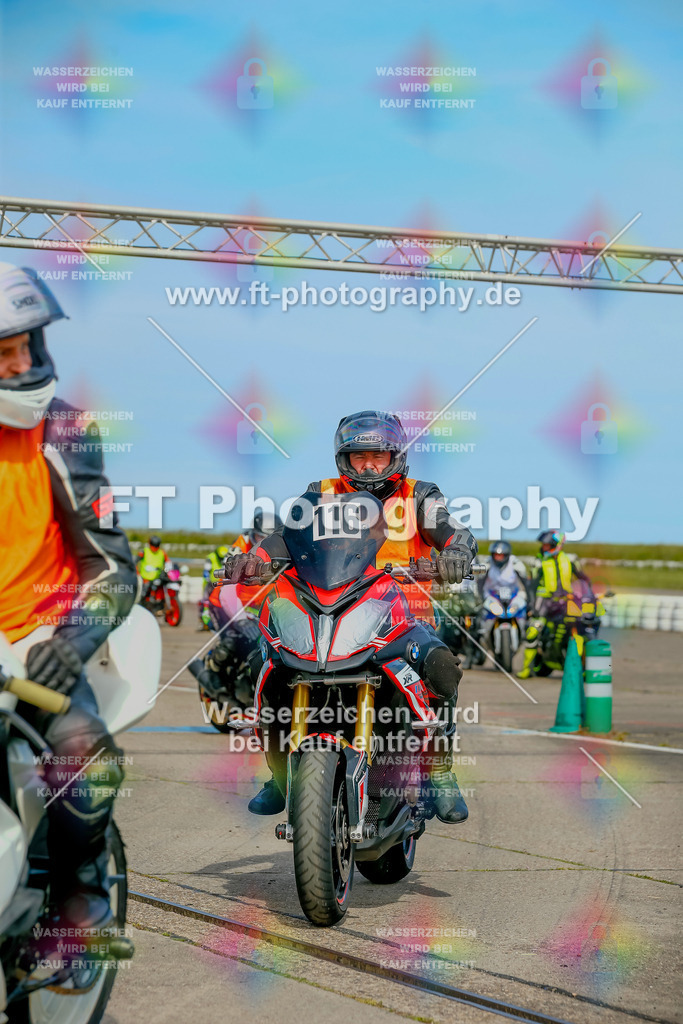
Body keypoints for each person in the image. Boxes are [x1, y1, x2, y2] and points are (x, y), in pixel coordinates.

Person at [223, 410, 477, 824]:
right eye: (359, 457)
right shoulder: (320, 493)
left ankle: (440, 772)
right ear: (344, 459)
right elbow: (284, 538)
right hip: (327, 607)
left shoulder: (419, 495)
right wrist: (253, 560)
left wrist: (456, 554)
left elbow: (450, 530)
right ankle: (280, 773)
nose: (369, 465)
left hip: (402, 611)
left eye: (377, 455)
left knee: (442, 666)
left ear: (395, 455)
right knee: (264, 662)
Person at [0, 263, 136, 931]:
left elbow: (114, 570)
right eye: (5, 353)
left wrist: (68, 643)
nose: (24, 365)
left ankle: (78, 899)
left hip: (30, 641)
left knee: (83, 750)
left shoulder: (64, 432)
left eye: (30, 345)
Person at [517, 530, 590, 679]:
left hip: (567, 600)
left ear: (558, 545)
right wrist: (532, 605)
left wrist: (588, 595)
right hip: (545, 601)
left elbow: (584, 579)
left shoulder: (570, 560)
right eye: (543, 545)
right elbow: (532, 586)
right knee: (533, 631)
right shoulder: (538, 562)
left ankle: (581, 666)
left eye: (548, 545)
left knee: (581, 626)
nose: (544, 548)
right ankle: (526, 668)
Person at [136, 535, 167, 601]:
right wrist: (137, 573)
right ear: (150, 544)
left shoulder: (162, 553)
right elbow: (135, 562)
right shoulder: (144, 552)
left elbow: (168, 563)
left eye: (157, 546)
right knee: (142, 596)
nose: (155, 548)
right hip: (145, 579)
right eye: (153, 546)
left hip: (158, 578)